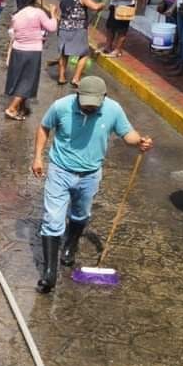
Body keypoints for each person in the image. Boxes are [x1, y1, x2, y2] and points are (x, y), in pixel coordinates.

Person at [31, 76, 153, 293]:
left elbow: (128, 134)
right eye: (84, 103)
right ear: (77, 93)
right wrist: (38, 157)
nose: (88, 108)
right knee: (52, 220)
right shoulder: (61, 106)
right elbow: (43, 128)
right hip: (60, 170)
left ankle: (70, 246)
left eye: (93, 105)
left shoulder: (113, 110)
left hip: (90, 174)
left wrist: (140, 141)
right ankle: (49, 274)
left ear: (103, 98)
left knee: (81, 214)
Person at [4, 0, 58, 121]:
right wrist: (53, 14)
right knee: (28, 80)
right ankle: (12, 108)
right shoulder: (38, 13)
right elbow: (52, 27)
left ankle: (21, 107)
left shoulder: (16, 15)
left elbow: (12, 33)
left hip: (18, 49)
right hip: (32, 51)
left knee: (19, 78)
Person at [56, 0, 105, 87]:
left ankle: (61, 77)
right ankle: (76, 79)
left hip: (63, 27)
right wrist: (102, 5)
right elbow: (95, 7)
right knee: (84, 54)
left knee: (64, 53)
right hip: (77, 29)